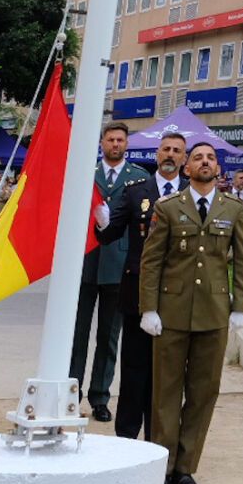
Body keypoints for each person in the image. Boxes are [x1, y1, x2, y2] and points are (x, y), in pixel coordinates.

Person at [139, 140, 243, 484]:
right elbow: (152, 260)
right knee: (166, 392)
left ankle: (186, 466)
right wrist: (149, 307)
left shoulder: (233, 208)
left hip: (214, 313)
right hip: (172, 312)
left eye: (211, 158)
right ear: (187, 168)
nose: (205, 162)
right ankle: (164, 463)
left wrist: (241, 308)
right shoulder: (169, 207)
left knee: (204, 391)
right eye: (198, 158)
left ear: (218, 168)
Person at [95, 129, 188, 440]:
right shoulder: (137, 191)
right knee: (134, 371)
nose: (170, 155)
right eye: (165, 150)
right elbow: (109, 234)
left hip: (179, 297)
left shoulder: (192, 194)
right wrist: (101, 216)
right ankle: (126, 439)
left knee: (169, 375)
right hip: (137, 296)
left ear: (184, 159)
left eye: (177, 150)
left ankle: (159, 440)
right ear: (156, 155)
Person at [73, 121, 149, 422]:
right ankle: (71, 393)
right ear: (101, 143)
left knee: (109, 336)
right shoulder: (84, 174)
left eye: (120, 140)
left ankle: (100, 397)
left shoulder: (138, 178)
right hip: (85, 262)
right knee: (77, 335)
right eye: (110, 140)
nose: (115, 145)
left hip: (118, 265)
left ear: (126, 144)